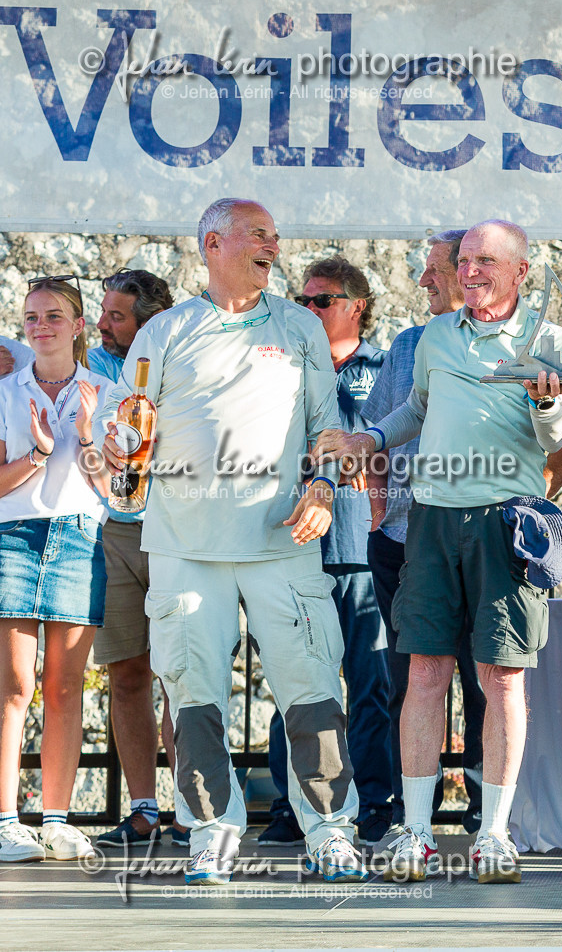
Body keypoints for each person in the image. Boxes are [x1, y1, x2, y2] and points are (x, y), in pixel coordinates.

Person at [92, 197, 364, 886]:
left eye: (276, 233)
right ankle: (211, 828)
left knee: (309, 685)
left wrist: (324, 487)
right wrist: (119, 450)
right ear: (214, 242)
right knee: (193, 692)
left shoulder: (301, 326)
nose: (275, 244)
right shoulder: (166, 332)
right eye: (260, 234)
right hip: (185, 542)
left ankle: (330, 829)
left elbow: (326, 427)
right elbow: (130, 430)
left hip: (282, 539)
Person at [317, 219, 562, 884]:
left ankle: (493, 833)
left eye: (485, 261)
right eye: (463, 260)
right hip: (431, 520)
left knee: (502, 678)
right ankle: (415, 831)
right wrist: (371, 437)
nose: (469, 271)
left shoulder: (548, 340)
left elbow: (555, 438)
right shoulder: (436, 336)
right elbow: (417, 409)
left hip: (505, 521)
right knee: (424, 676)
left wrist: (547, 405)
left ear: (521, 270)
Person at [258, 258, 393, 848]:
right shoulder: (286, 366)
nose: (308, 309)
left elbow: (399, 443)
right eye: (303, 300)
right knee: (297, 682)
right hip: (296, 546)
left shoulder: (385, 368)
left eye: (321, 301)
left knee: (371, 684)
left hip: (362, 545)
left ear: (355, 305)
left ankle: (374, 802)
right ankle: (295, 805)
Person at [360, 229, 489, 841]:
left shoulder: (519, 345)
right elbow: (385, 428)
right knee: (411, 678)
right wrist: (383, 513)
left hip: (482, 538)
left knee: (486, 680)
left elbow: (556, 430)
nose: (425, 280)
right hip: (405, 541)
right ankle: (413, 817)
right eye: (433, 269)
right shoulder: (410, 345)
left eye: (436, 269)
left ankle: (489, 811)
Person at [0, 278, 111, 863]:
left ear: (78, 325)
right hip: (12, 539)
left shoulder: (108, 391)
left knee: (66, 687)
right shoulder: (5, 391)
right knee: (13, 689)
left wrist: (88, 435)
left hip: (78, 537)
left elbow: (115, 486)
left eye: (52, 316)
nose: (40, 326)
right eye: (31, 318)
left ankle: (58, 820)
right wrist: (38, 454)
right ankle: (5, 822)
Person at [83, 269, 182, 849]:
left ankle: (193, 808)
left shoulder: (181, 356)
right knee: (127, 671)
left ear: (148, 323)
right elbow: (29, 355)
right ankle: (145, 809)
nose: (103, 324)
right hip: (115, 535)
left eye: (116, 315)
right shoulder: (91, 362)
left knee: (183, 676)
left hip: (176, 529)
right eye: (102, 312)